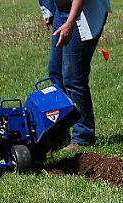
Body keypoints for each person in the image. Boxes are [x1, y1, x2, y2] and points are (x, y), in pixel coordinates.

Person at [39, 0, 110, 151]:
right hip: (61, 12)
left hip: (81, 13)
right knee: (55, 75)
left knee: (74, 76)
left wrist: (70, 23)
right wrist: (49, 11)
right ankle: (60, 132)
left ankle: (83, 136)